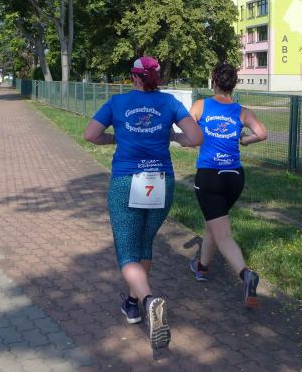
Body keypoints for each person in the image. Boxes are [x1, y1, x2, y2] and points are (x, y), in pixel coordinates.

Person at [83, 56, 203, 349]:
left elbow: (91, 135)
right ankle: (132, 303)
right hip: (161, 181)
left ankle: (148, 300)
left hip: (126, 181)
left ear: (134, 76)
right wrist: (173, 136)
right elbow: (196, 137)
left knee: (127, 253)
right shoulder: (169, 103)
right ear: (157, 78)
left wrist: (115, 139)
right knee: (145, 244)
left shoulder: (117, 103)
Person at [173, 62, 267, 307]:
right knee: (214, 222)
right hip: (234, 177)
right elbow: (262, 133)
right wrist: (244, 140)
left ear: (213, 81)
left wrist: (173, 136)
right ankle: (202, 267)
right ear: (234, 84)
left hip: (210, 177)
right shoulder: (242, 111)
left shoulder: (201, 106)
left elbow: (189, 137)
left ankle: (246, 275)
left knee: (222, 233)